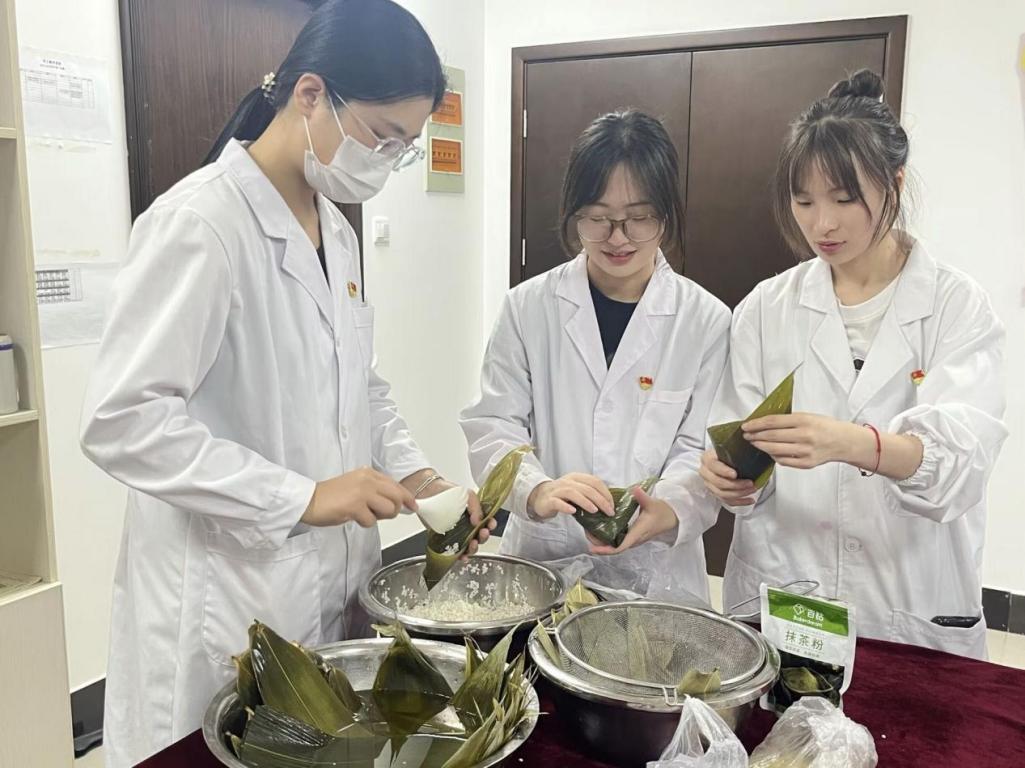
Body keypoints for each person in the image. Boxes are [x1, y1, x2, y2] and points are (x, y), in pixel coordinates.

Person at [80, 2, 491, 764]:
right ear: (310, 95)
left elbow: (360, 389)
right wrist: (300, 497)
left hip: (324, 588)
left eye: (403, 148)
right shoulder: (201, 225)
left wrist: (422, 479)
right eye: (382, 136)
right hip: (225, 598)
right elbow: (122, 421)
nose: (385, 162)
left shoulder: (335, 230)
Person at [700, 70, 1006, 658]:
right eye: (804, 201)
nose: (823, 224)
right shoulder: (766, 308)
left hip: (908, 600)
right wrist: (728, 475)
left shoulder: (955, 305)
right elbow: (738, 437)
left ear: (895, 183)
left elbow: (959, 469)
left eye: (844, 199)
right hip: (788, 588)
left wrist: (851, 443)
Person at [461, 110, 731, 602]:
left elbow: (701, 447)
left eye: (639, 218)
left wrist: (669, 508)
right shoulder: (528, 307)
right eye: (598, 217)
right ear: (574, 214)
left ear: (666, 215)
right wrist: (537, 490)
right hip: (545, 560)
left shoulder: (705, 320)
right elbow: (494, 426)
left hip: (658, 575)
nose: (618, 237)